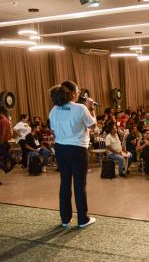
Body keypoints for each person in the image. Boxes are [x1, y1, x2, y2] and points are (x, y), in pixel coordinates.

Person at [49, 81, 97, 228]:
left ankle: (65, 219)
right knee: (79, 184)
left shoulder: (54, 110)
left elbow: (53, 131)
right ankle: (82, 219)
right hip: (77, 150)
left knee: (65, 184)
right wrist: (92, 110)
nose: (79, 93)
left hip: (61, 149)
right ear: (72, 93)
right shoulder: (81, 108)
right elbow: (93, 126)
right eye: (78, 90)